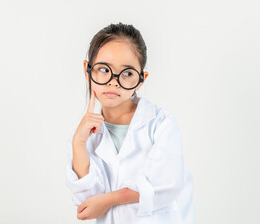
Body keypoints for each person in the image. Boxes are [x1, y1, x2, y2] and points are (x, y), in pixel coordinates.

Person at [65, 22, 195, 224]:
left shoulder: (161, 123)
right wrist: (78, 144)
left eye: (127, 73)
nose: (113, 82)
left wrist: (109, 200)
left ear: (141, 79)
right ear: (87, 70)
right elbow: (86, 204)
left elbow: (165, 184)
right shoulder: (84, 133)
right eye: (103, 69)